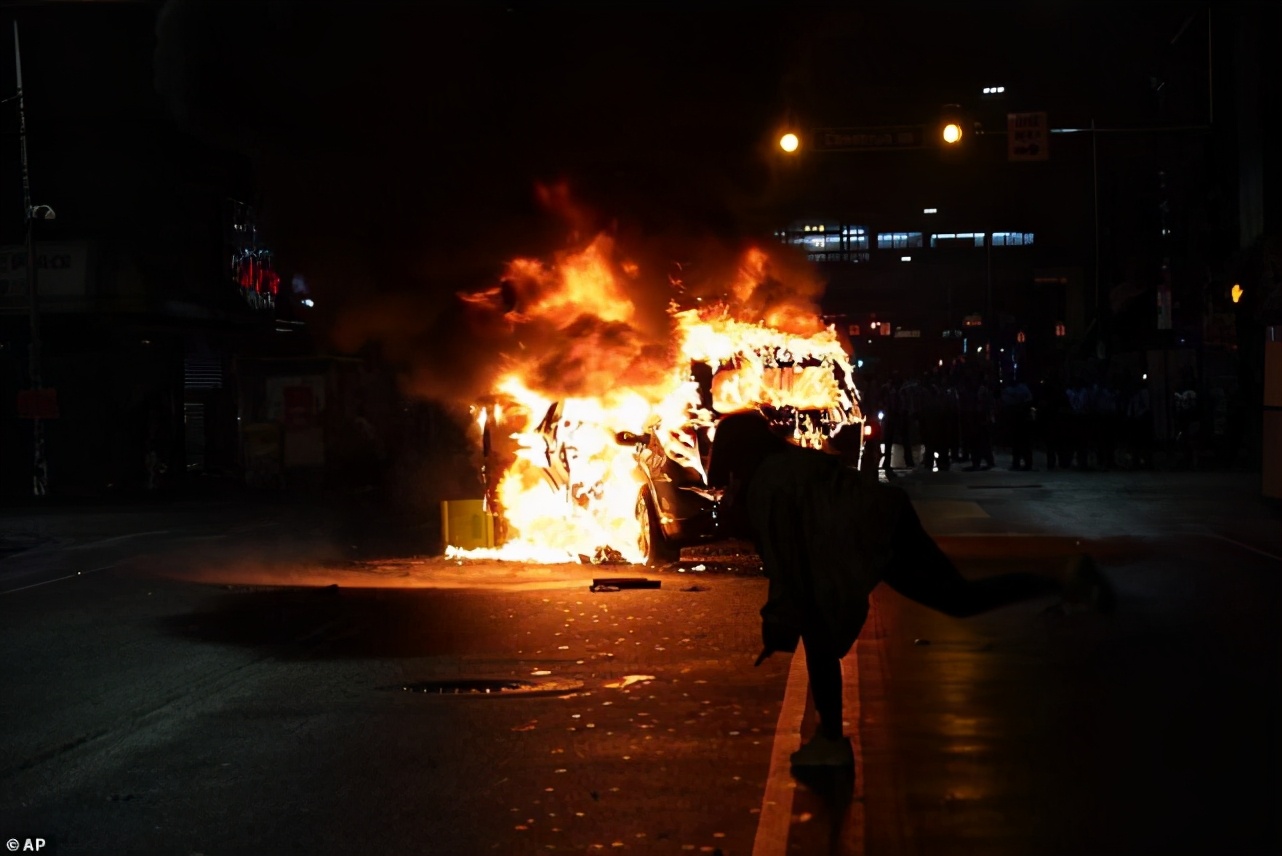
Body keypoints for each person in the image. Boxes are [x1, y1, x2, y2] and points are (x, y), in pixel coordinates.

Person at [705, 409, 1112, 769]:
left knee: (825, 631)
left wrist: (777, 623)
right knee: (957, 599)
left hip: (878, 532)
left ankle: (831, 741)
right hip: (884, 519)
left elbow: (788, 563)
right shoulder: (784, 464)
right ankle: (1063, 579)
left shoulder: (767, 487)